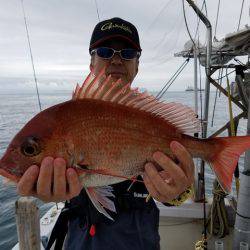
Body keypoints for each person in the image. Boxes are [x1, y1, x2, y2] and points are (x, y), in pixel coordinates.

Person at [17, 17, 195, 250]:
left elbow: (176, 192)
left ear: (137, 65)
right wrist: (48, 191)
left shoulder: (154, 122)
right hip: (81, 240)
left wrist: (179, 192)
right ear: (92, 63)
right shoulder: (68, 119)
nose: (117, 60)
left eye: (128, 53)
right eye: (105, 52)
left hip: (140, 241)